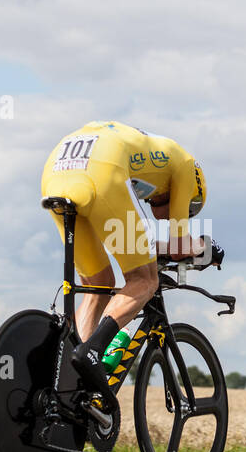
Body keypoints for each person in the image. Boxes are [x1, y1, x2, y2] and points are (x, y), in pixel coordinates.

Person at [40, 120, 223, 400]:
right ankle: (92, 350)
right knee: (143, 279)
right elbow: (178, 247)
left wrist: (153, 248)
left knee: (98, 284)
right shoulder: (186, 165)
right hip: (103, 169)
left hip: (56, 170)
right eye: (191, 208)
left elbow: (125, 238)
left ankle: (71, 377)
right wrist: (207, 247)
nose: (184, 213)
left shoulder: (152, 160)